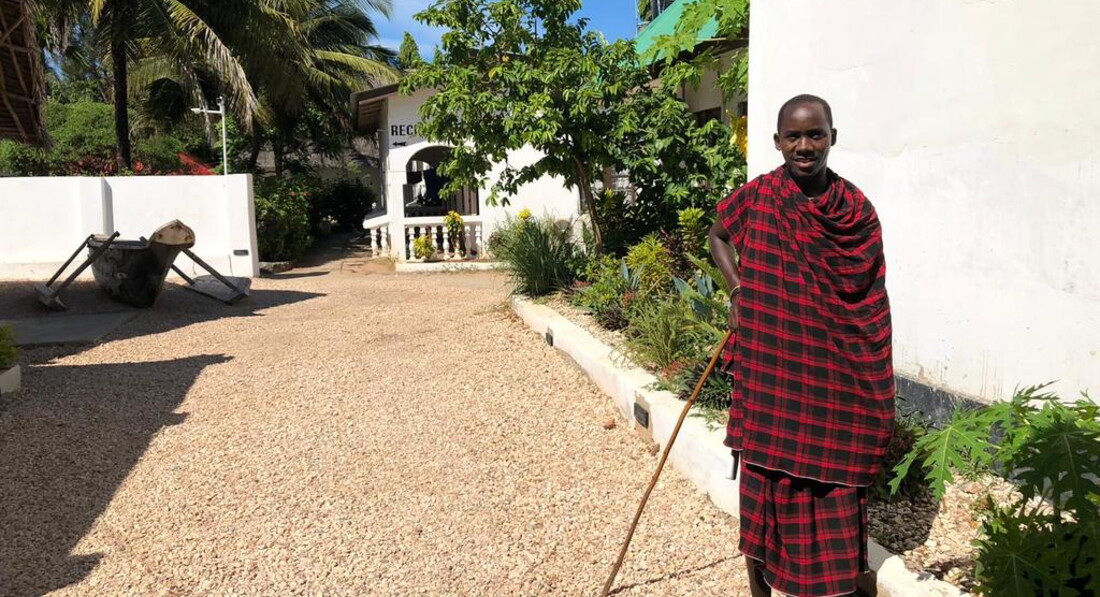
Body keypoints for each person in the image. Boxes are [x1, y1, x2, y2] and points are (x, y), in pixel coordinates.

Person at [708, 95, 894, 597]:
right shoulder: (760, 196)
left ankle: (832, 587)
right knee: (763, 484)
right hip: (773, 371)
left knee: (835, 483)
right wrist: (738, 290)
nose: (805, 146)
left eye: (816, 134)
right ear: (777, 142)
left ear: (833, 137)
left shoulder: (855, 211)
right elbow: (718, 237)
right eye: (794, 136)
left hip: (833, 379)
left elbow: (868, 301)